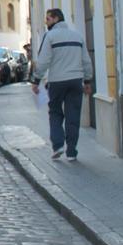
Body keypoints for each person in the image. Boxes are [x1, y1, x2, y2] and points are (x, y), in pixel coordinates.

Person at [30, 9, 92, 161]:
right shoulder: (77, 36)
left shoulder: (50, 36)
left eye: (48, 19)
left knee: (55, 113)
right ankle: (71, 152)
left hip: (57, 81)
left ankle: (58, 145)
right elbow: (86, 61)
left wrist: (36, 81)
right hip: (75, 81)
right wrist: (87, 81)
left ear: (56, 18)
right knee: (73, 116)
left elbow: (43, 61)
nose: (46, 22)